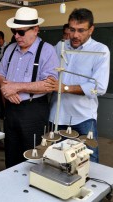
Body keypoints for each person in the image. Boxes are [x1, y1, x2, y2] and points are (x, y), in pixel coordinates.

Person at [0, 7, 59, 168]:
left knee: (33, 157)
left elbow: (49, 84)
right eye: (14, 31)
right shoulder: (10, 49)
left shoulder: (47, 51)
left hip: (33, 111)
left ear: (35, 30)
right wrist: (5, 88)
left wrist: (16, 87)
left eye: (21, 32)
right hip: (10, 110)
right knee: (11, 154)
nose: (16, 36)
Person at [47, 8, 110, 163]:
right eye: (72, 29)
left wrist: (65, 88)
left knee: (88, 161)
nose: (75, 35)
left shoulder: (100, 51)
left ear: (91, 30)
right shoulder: (60, 46)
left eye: (81, 30)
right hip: (57, 116)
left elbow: (99, 87)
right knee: (57, 160)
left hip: (83, 118)